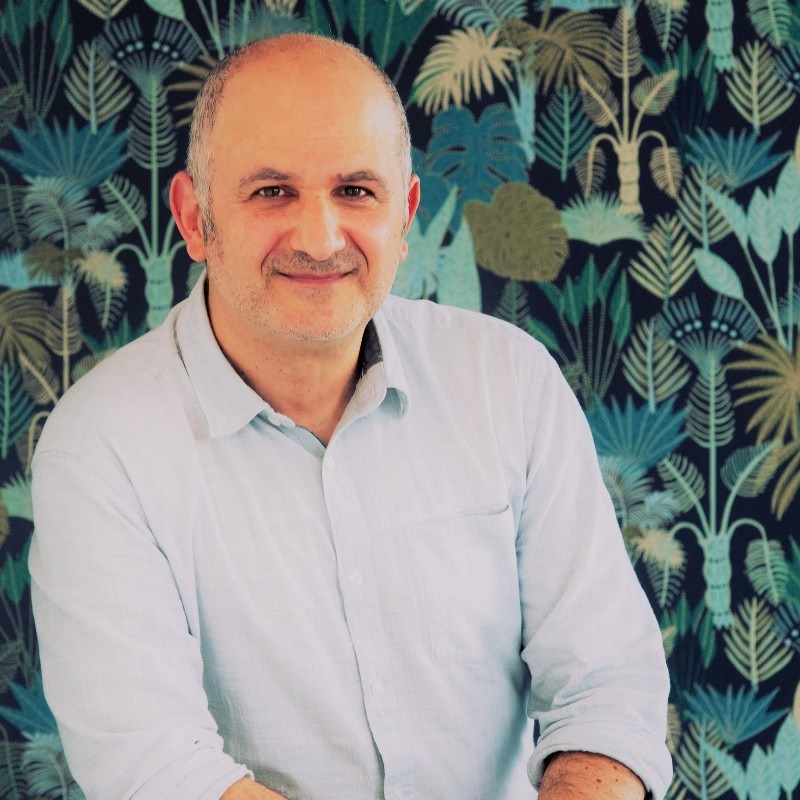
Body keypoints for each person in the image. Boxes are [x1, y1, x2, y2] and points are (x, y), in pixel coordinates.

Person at [29, 34, 673, 800]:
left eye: (356, 191)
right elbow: (157, 767)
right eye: (272, 191)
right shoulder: (100, 447)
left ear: (404, 216)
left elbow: (606, 684)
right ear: (194, 218)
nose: (320, 238)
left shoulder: (509, 380)